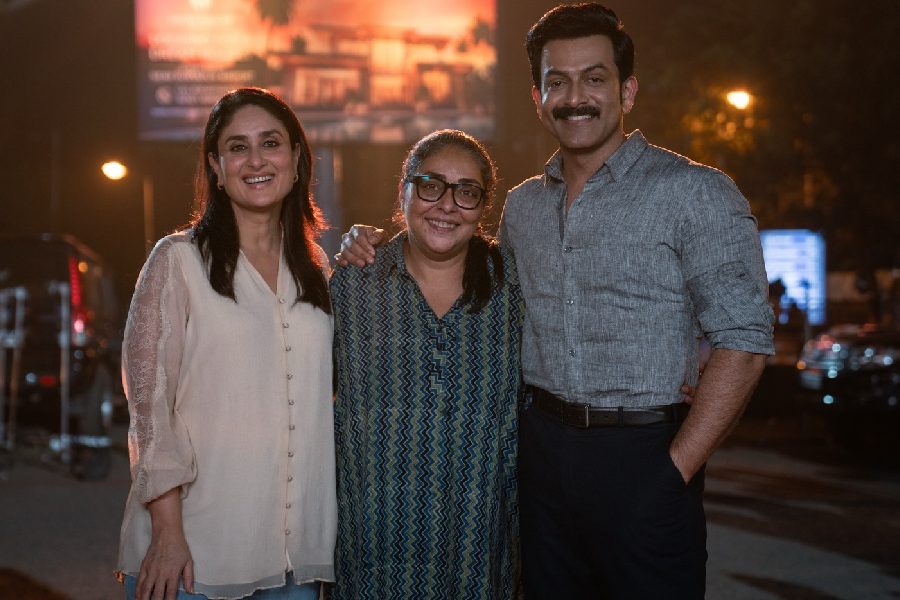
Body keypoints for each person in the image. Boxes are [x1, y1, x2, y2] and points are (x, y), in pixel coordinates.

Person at [336, 3, 775, 598]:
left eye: (594, 78)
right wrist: (364, 241)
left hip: (645, 454)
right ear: (538, 97)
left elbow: (744, 340)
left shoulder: (694, 193)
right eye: (557, 81)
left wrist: (676, 468)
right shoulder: (522, 207)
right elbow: (451, 251)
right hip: (538, 460)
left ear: (628, 89)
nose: (576, 97)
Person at [116, 87, 336, 600]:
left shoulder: (320, 271)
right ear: (216, 166)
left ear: (297, 158)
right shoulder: (177, 262)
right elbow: (150, 412)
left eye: (270, 143)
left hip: (295, 560)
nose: (256, 160)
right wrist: (168, 535)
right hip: (196, 553)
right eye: (237, 147)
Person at [329, 129, 524, 599]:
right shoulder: (355, 283)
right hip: (371, 546)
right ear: (405, 191)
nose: (447, 205)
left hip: (478, 547)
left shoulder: (514, 286)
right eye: (431, 185)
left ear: (483, 208)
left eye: (467, 192)